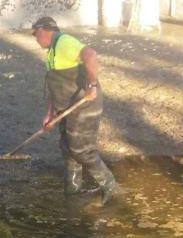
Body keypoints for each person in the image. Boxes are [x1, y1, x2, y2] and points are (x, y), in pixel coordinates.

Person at [32, 16, 122, 206]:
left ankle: (111, 185)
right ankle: (73, 189)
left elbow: (90, 54)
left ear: (44, 29)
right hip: (65, 106)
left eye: (35, 33)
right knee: (67, 147)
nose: (34, 38)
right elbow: (55, 86)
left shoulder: (63, 41)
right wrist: (50, 113)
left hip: (85, 103)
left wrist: (92, 84)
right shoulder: (52, 52)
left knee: (81, 150)